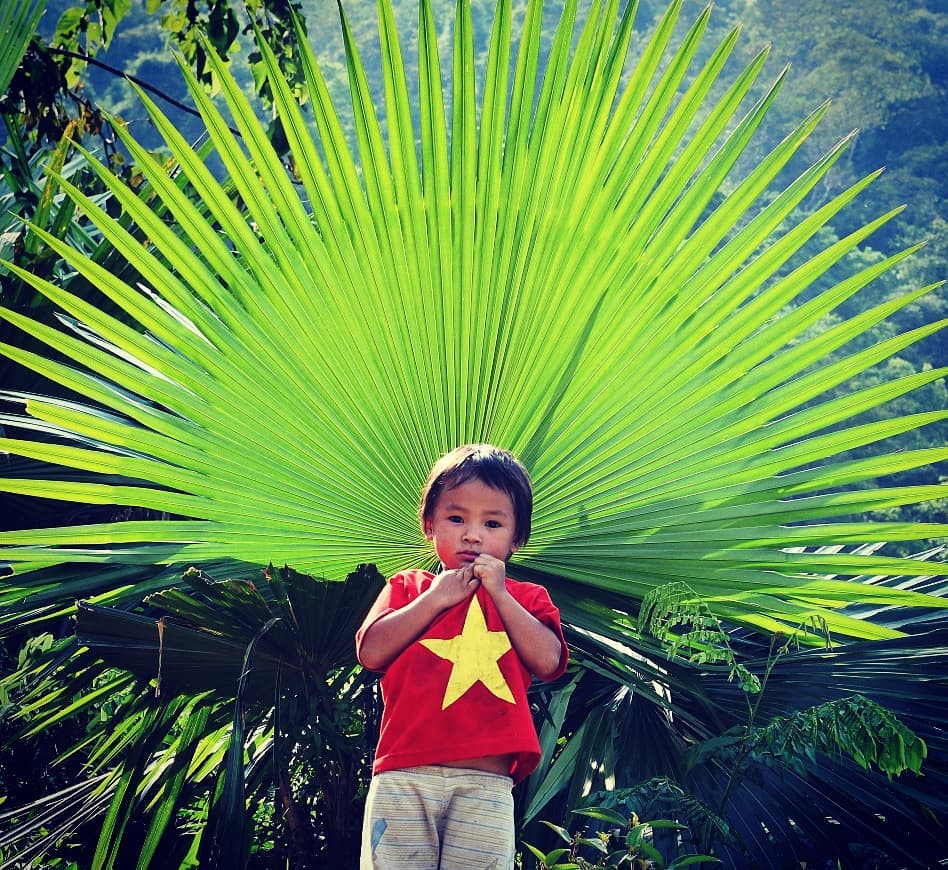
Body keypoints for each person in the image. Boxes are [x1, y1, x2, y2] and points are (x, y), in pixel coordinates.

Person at [356, 443, 569, 869]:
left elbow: (549, 661)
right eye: (456, 518)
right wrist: (435, 600)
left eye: (492, 522)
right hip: (403, 774)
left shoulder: (526, 598)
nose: (472, 534)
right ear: (430, 526)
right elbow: (371, 651)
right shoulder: (409, 588)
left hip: (485, 783)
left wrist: (502, 596)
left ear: (516, 538)